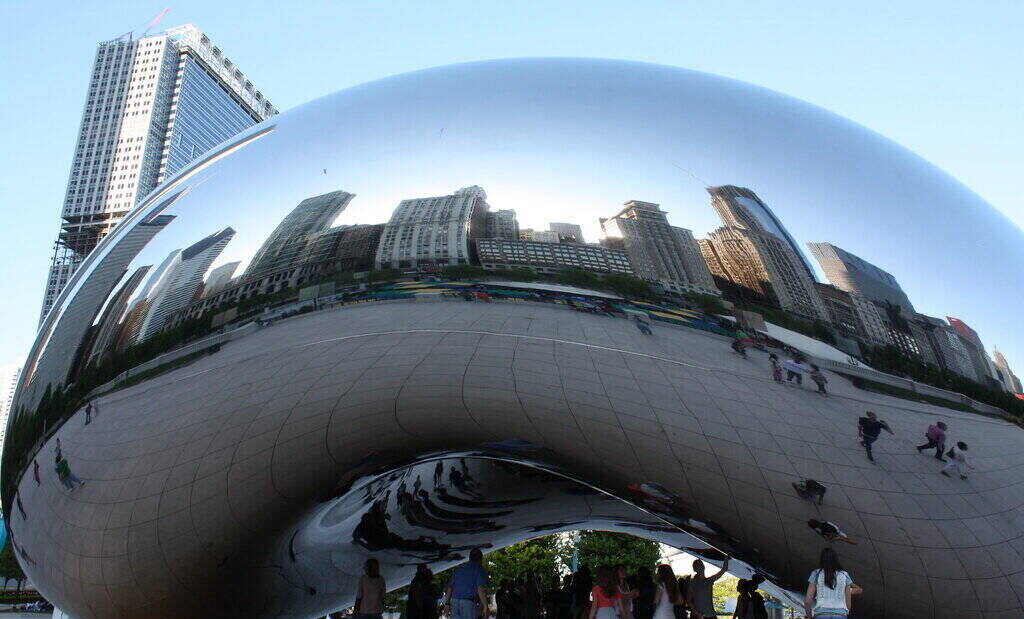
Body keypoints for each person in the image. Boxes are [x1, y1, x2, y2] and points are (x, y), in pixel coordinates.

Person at [804, 548, 860, 619]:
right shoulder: (844, 575)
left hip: (821, 614)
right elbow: (848, 603)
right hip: (840, 614)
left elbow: (807, 601)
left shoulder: (816, 573)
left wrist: (809, 617)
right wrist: (844, 613)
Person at [445, 548, 489, 619]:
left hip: (454, 602)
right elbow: (480, 589)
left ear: (469, 557)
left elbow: (450, 587)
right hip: (468, 604)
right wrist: (485, 606)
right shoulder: (479, 569)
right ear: (480, 559)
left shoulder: (459, 568)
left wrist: (447, 603)